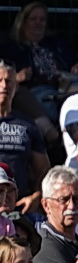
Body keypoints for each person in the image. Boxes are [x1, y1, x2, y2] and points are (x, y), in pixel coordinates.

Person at [0, 64, 48, 213]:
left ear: (16, 85)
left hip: (18, 208)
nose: (3, 85)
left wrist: (36, 196)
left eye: (8, 81)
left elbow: (44, 170)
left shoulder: (27, 125)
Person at [33, 166, 78, 263]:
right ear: (46, 205)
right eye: (63, 200)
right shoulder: (42, 245)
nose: (72, 206)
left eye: (77, 199)